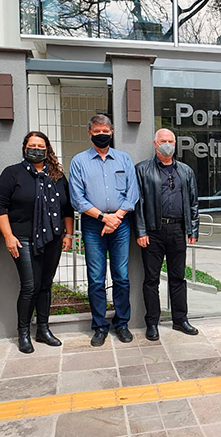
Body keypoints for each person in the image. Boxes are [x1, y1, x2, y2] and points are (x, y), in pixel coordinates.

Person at [0, 132, 75, 353]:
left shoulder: (57, 176)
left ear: (47, 149)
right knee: (30, 286)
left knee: (46, 285)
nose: (36, 149)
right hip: (22, 238)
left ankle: (43, 330)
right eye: (32, 145)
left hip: (53, 239)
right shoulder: (13, 174)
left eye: (40, 146)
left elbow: (67, 208)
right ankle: (23, 332)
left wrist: (68, 234)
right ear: (24, 147)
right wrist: (8, 236)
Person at [69, 115, 139, 347]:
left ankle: (121, 324)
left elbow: (133, 193)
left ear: (111, 132)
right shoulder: (79, 161)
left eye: (106, 130)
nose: (102, 134)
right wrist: (103, 217)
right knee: (96, 278)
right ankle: (99, 327)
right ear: (89, 133)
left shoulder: (123, 159)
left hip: (120, 225)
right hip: (92, 225)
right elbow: (77, 198)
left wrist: (116, 218)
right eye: (97, 130)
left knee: (121, 277)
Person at [133, 129, 200, 341]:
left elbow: (193, 202)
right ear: (155, 143)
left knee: (178, 278)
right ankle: (152, 322)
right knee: (151, 279)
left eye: (171, 141)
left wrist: (193, 229)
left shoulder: (186, 171)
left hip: (178, 230)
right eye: (163, 141)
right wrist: (141, 231)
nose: (167, 144)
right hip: (153, 232)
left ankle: (180, 320)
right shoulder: (142, 170)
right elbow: (138, 204)